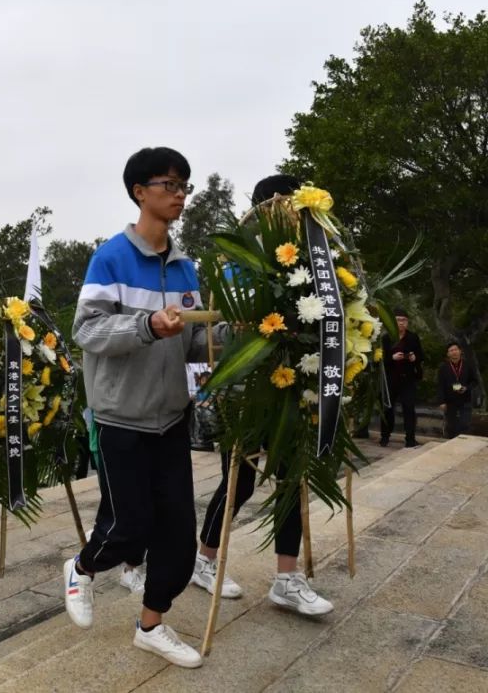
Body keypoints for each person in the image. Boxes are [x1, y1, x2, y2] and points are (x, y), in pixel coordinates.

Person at [64, 146, 223, 669]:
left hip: (171, 418)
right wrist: (147, 325)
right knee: (130, 525)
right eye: (168, 185)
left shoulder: (185, 267)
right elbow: (86, 331)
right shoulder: (110, 257)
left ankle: (151, 625)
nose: (178, 195)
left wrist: (235, 336)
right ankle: (83, 568)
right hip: (119, 418)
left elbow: (195, 345)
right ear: (139, 191)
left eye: (184, 186)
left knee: (178, 534)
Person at [194, 175, 334, 620]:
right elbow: (232, 323)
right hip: (245, 389)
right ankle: (205, 559)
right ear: (267, 209)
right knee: (241, 481)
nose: (291, 215)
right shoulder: (239, 258)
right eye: (285, 207)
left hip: (294, 382)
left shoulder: (312, 257)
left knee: (294, 475)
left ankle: (286, 580)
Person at [379, 308, 424, 448]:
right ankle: (385, 436)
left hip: (408, 379)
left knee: (409, 408)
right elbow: (379, 359)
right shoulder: (386, 338)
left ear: (408, 322)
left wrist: (414, 358)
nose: (401, 323)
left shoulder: (413, 337)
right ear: (393, 322)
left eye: (404, 320)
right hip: (390, 379)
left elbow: (421, 356)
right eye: (398, 320)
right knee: (387, 408)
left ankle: (410, 439)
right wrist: (392, 358)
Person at [437, 342, 478, 439]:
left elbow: (475, 381)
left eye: (455, 349)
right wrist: (442, 401)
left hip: (465, 399)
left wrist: (466, 388)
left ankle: (462, 444)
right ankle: (451, 445)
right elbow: (440, 385)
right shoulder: (443, 368)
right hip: (450, 400)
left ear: (460, 351)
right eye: (451, 350)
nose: (454, 352)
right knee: (451, 425)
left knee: (465, 424)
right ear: (448, 354)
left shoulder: (468, 365)